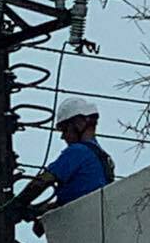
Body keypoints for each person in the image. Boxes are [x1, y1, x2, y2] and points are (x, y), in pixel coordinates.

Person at [15, 96, 115, 225]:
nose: (63, 136)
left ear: (79, 123)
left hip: (81, 223)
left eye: (64, 129)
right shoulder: (102, 158)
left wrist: (16, 205)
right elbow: (75, 198)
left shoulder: (78, 151)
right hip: (94, 222)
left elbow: (44, 181)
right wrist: (38, 212)